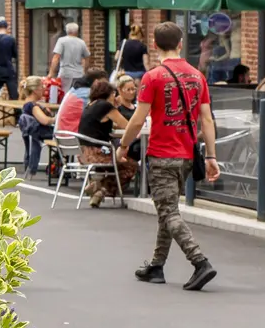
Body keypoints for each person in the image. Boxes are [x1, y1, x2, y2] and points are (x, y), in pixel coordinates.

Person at [119, 21, 220, 291]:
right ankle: (156, 265)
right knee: (168, 208)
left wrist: (124, 145)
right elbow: (207, 119)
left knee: (168, 211)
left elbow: (139, 119)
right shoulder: (198, 76)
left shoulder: (152, 77)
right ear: (180, 43)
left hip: (162, 153)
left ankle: (200, 262)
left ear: (154, 45)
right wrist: (211, 156)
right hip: (187, 153)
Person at [76, 79, 137, 208]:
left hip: (83, 153)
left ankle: (97, 186)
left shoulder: (91, 105)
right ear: (110, 94)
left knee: (119, 161)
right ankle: (101, 189)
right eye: (114, 94)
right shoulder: (105, 106)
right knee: (130, 165)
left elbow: (105, 124)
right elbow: (127, 125)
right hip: (98, 153)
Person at [15, 76, 56, 177]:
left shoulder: (27, 104)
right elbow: (45, 121)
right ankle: (58, 165)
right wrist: (57, 119)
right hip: (43, 132)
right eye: (41, 87)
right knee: (66, 137)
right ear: (35, 90)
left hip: (34, 133)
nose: (44, 89)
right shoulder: (33, 106)